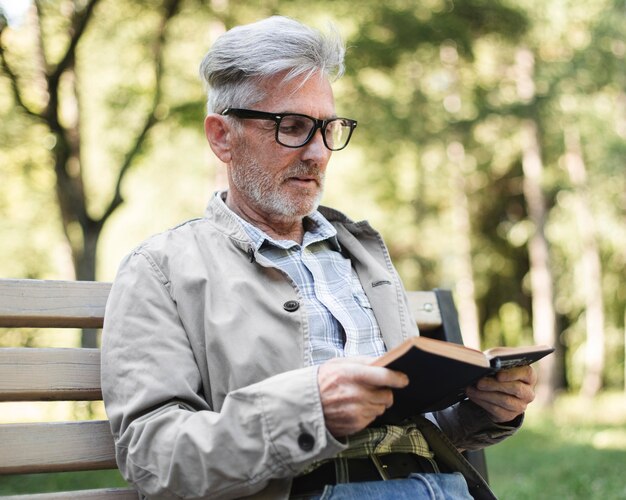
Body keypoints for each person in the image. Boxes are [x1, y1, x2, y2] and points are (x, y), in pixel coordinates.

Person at [101, 16, 536, 500]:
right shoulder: (162, 269)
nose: (318, 153)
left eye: (328, 128)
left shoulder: (359, 253)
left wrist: (484, 410)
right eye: (292, 127)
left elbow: (403, 433)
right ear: (222, 136)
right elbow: (153, 460)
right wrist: (308, 412)